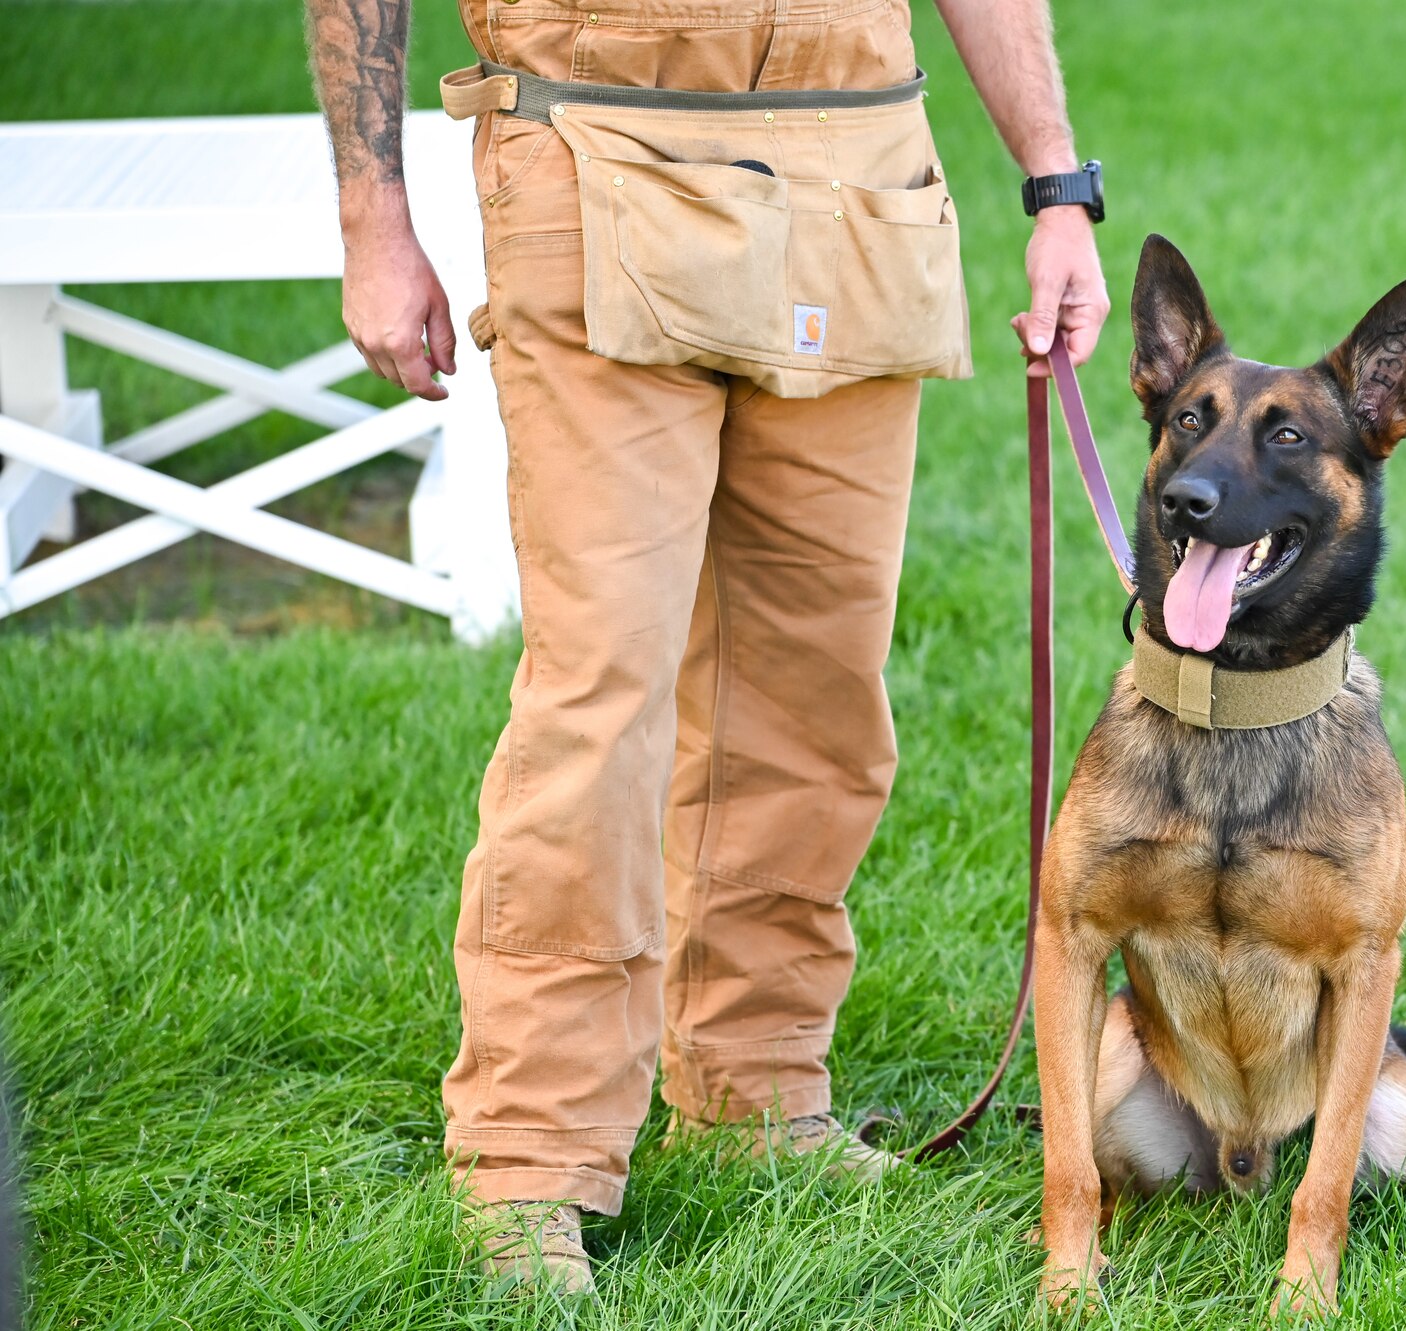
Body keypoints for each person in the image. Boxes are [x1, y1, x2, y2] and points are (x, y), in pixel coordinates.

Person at [304, 0, 1110, 1295]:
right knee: (600, 696)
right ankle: (528, 1161)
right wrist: (372, 221)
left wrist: (1058, 186)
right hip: (595, 152)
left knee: (818, 696)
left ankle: (756, 1098)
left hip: (859, 179)